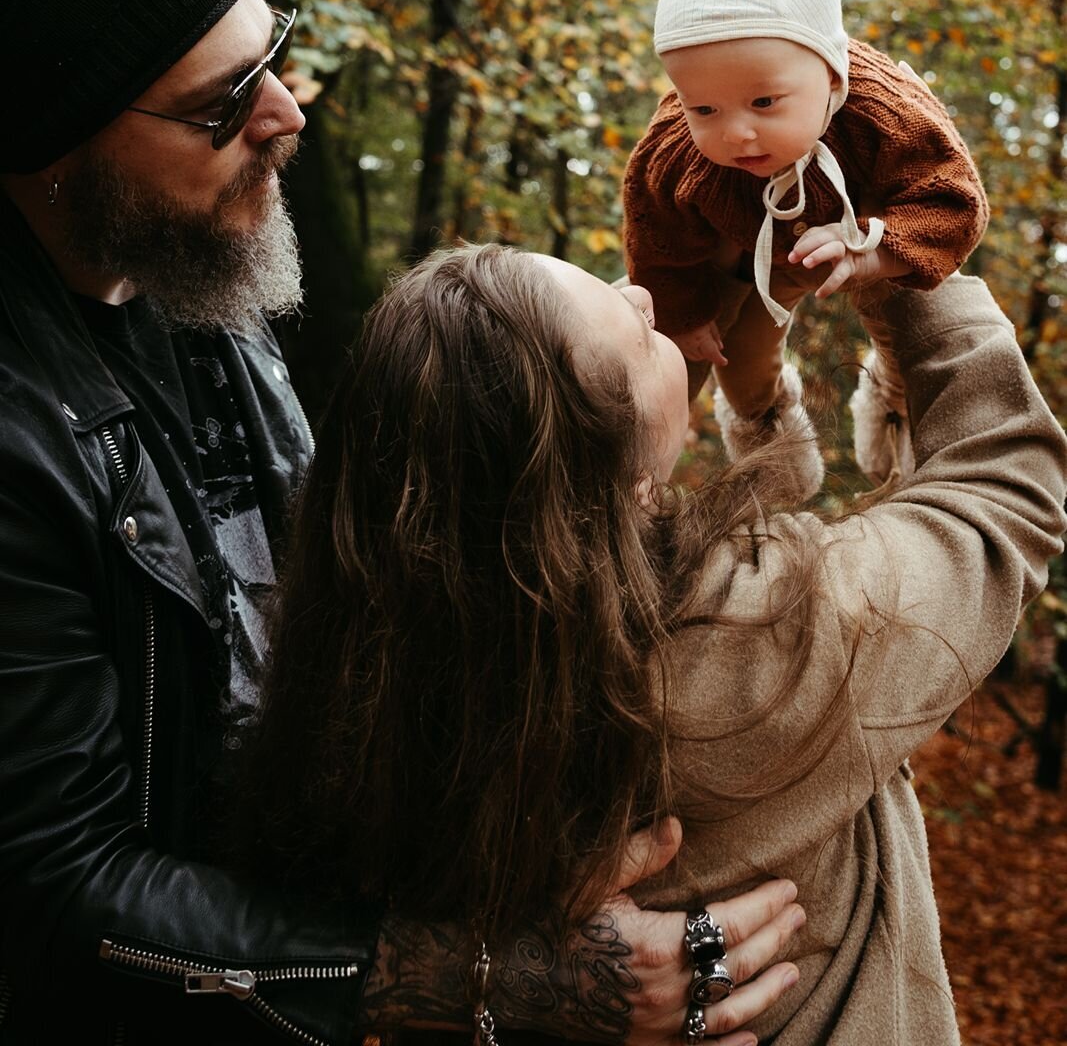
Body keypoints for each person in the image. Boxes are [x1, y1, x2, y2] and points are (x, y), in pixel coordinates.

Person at [0, 0, 804, 1046]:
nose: (287, 112)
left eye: (278, 50)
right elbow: (52, 891)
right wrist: (492, 974)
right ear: (49, 144)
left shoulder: (202, 299)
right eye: (223, 105)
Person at [243, 240, 1066, 1046]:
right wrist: (909, 265)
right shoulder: (760, 635)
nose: (638, 296)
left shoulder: (360, 680)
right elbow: (1001, 488)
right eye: (635, 331)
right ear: (627, 483)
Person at [623, 0, 989, 496]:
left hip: (870, 219)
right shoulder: (674, 152)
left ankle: (892, 401)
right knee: (737, 358)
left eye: (764, 101)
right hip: (753, 245)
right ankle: (774, 442)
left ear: (831, 71)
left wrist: (874, 250)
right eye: (704, 109)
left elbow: (956, 203)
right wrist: (684, 313)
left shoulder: (885, 114)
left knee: (908, 323)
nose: (737, 132)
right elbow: (656, 234)